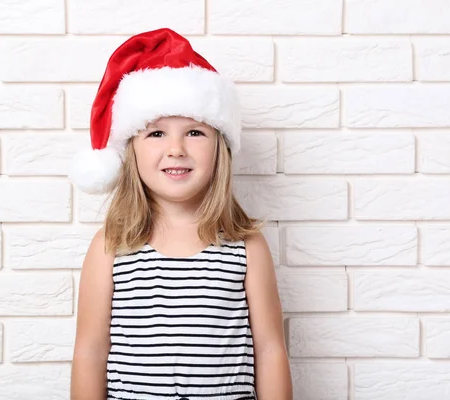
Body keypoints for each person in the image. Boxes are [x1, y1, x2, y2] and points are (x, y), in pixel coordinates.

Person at [69, 28, 293, 400]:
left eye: (194, 132)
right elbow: (90, 352)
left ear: (219, 148)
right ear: (131, 152)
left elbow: (270, 350)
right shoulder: (111, 248)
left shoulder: (245, 246)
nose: (176, 149)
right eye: (156, 134)